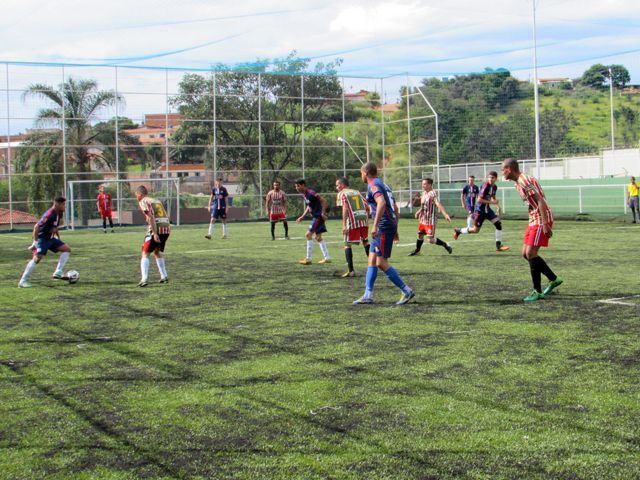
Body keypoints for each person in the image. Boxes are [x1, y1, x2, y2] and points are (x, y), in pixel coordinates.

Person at [501, 158, 562, 302]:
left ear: (509, 169)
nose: (502, 172)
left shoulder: (524, 181)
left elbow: (540, 201)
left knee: (530, 253)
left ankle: (537, 291)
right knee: (525, 254)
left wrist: (545, 223)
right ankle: (553, 279)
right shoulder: (518, 183)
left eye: (503, 169)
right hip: (533, 218)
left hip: (541, 219)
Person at [354, 162, 414, 305]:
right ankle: (368, 295)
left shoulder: (373, 185)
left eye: (361, 173)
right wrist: (395, 228)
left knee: (381, 262)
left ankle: (407, 291)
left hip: (383, 225)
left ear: (366, 172)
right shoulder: (383, 184)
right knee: (372, 259)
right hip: (388, 224)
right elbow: (394, 207)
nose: (361, 175)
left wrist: (375, 225)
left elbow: (381, 203)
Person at [18, 197, 72, 288]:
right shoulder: (49, 214)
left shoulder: (59, 213)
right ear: (57, 204)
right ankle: (22, 281)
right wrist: (35, 242)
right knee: (37, 259)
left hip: (50, 239)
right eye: (63, 204)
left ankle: (58, 271)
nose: (64, 206)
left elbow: (54, 227)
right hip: (42, 239)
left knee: (66, 249)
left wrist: (57, 237)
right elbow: (36, 227)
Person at [453, 171, 510, 252]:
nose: (490, 179)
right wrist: (491, 202)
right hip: (480, 211)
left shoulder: (494, 187)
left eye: (492, 177)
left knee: (498, 224)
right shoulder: (486, 186)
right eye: (489, 177)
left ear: (496, 179)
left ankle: (498, 246)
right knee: (475, 230)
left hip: (487, 210)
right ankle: (458, 231)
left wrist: (498, 207)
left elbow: (493, 197)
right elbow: (479, 199)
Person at [335, 176, 370, 277]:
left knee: (347, 244)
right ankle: (374, 266)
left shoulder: (342, 193)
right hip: (363, 218)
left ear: (342, 185)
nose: (336, 187)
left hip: (352, 220)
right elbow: (367, 205)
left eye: (337, 185)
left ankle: (351, 270)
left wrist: (343, 225)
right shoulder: (356, 191)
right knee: (365, 241)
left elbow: (345, 208)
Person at [409, 178, 453, 256]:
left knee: (431, 240)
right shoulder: (424, 193)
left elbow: (438, 204)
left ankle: (445, 244)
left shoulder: (432, 193)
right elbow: (423, 206)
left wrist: (445, 214)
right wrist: (419, 211)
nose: (423, 186)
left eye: (424, 184)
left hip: (430, 219)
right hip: (423, 219)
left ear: (429, 185)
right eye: (422, 184)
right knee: (420, 235)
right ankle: (417, 251)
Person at [136, 186, 170, 287]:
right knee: (156, 251)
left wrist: (155, 233)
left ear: (140, 194)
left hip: (156, 229)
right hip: (166, 228)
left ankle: (144, 279)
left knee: (145, 253)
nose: (136, 198)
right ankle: (164, 276)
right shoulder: (156, 201)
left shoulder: (143, 201)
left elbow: (150, 217)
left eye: (136, 196)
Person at [294, 179, 331, 265]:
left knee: (308, 235)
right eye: (296, 186)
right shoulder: (305, 194)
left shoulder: (311, 193)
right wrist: (302, 216)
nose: (297, 188)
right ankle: (327, 258)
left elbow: (324, 201)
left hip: (318, 217)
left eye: (298, 186)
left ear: (303, 185)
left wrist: (323, 213)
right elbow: (309, 206)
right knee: (318, 238)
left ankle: (308, 258)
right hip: (316, 216)